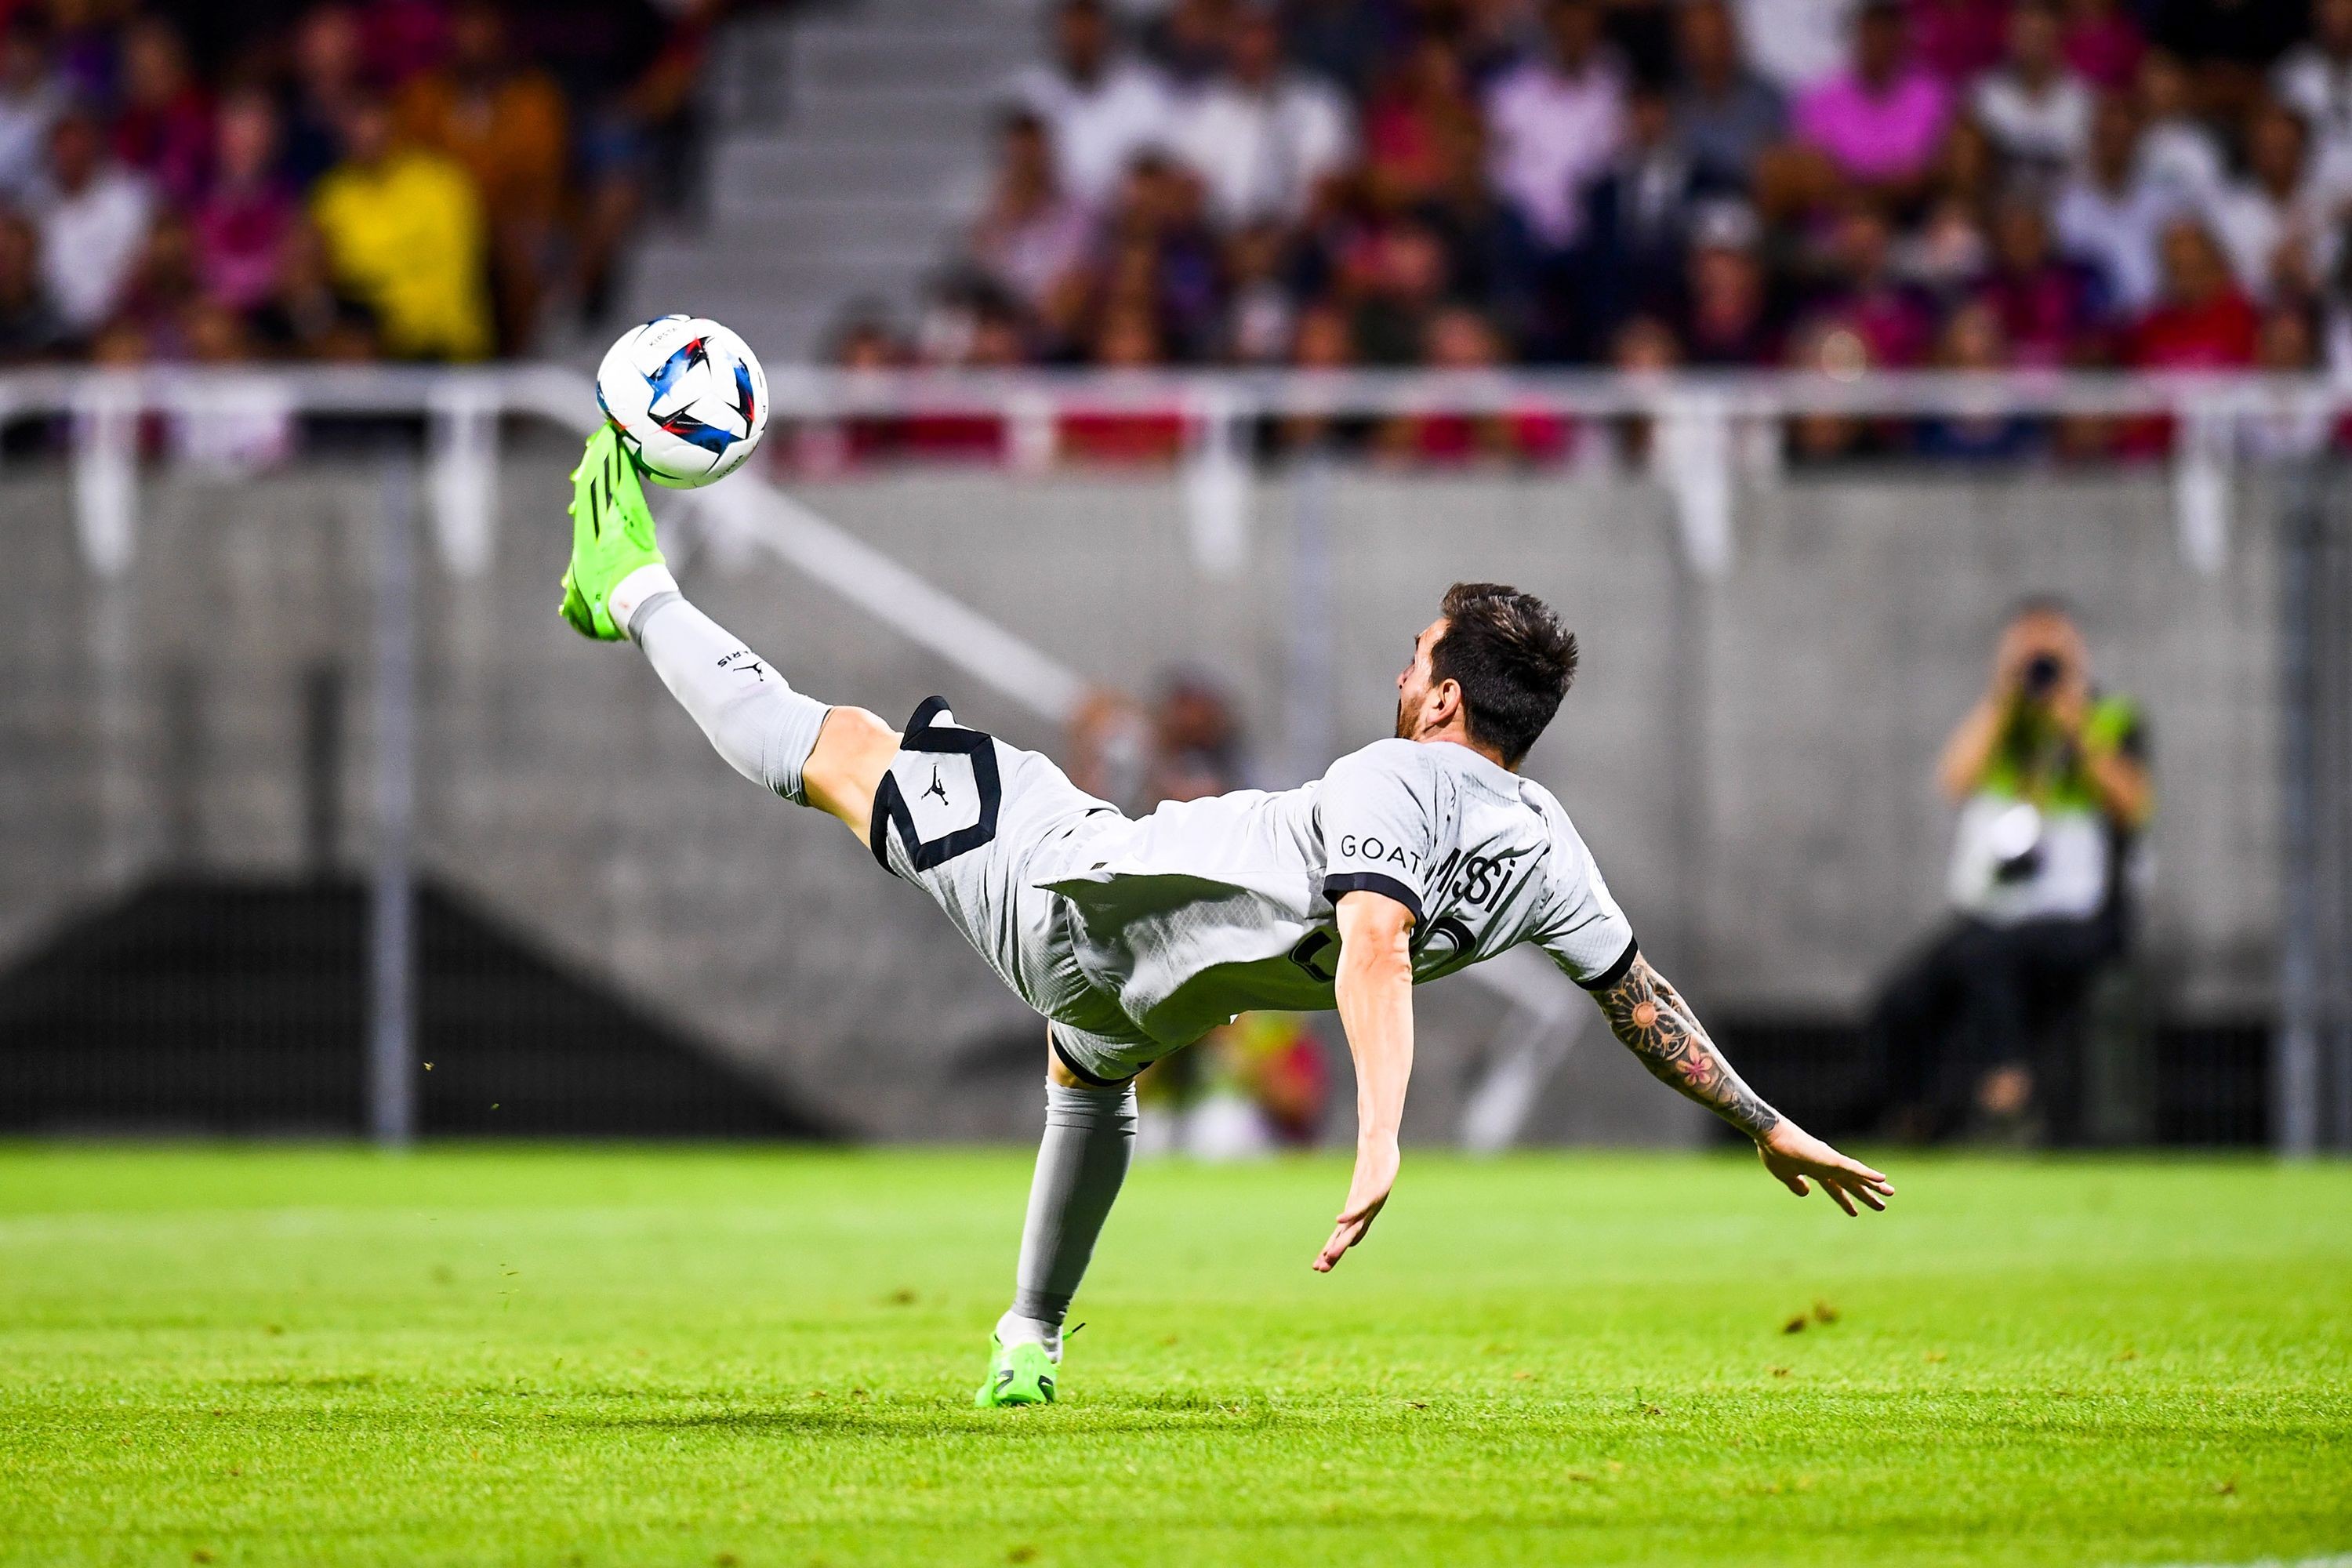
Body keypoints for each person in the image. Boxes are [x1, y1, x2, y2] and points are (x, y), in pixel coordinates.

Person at [554, 426, 1895, 1409]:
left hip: (1068, 893)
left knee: (836, 747)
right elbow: (1635, 993)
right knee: (1087, 1077)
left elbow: (1374, 940)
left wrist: (1378, 1136)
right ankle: (1029, 1339)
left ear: (1442, 703)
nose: (1403, 665)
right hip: (1144, 997)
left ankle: (630, 588)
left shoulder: (1394, 777)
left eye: (1418, 654)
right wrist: (1764, 1121)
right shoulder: (1553, 853)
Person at [1870, 599, 2151, 1142]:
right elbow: (1954, 779)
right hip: (1995, 907)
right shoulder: (2000, 724)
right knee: (1901, 1001)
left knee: (1990, 957)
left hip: (2077, 912)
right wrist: (2002, 699)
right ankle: (1912, 1120)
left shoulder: (2109, 718)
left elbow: (2132, 803)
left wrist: (2076, 723)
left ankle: (2008, 1095)